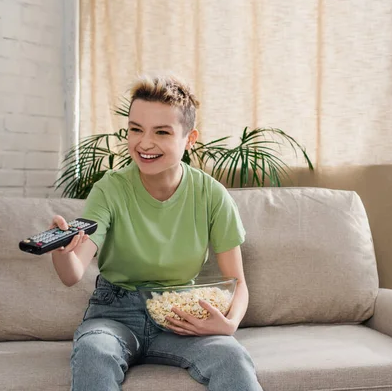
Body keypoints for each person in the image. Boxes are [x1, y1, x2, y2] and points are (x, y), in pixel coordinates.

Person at [50, 74, 263, 391]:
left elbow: (238, 282)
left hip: (181, 316)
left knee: (231, 358)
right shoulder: (109, 190)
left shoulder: (212, 196)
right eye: (135, 129)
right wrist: (62, 253)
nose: (144, 143)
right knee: (95, 351)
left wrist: (229, 323)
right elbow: (73, 273)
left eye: (161, 132)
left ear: (190, 139)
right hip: (114, 314)